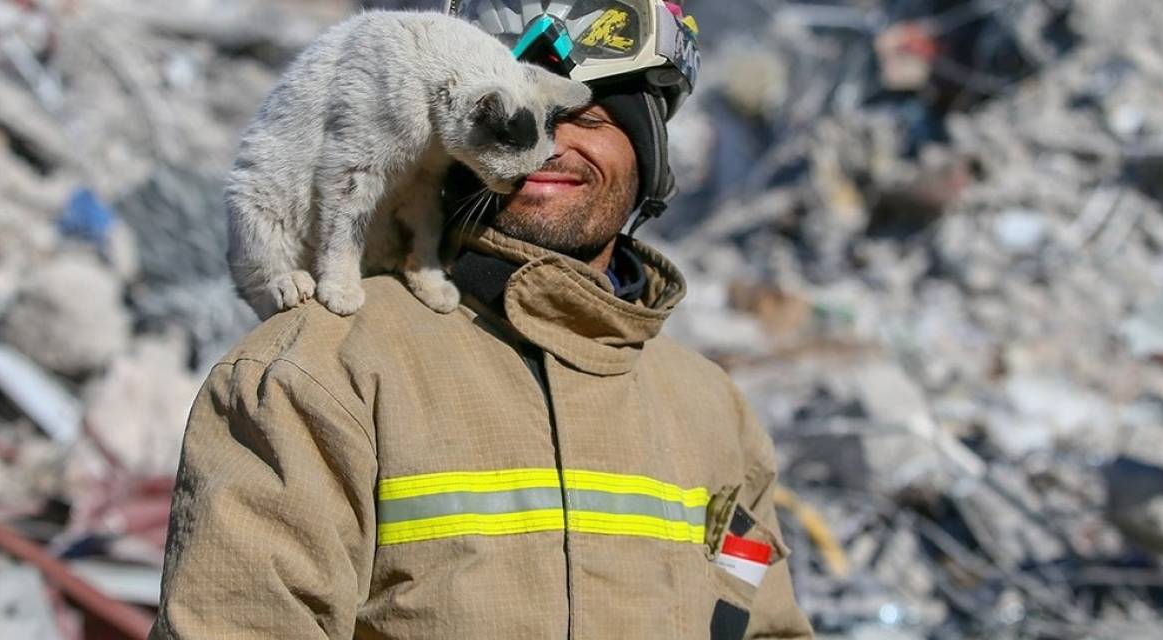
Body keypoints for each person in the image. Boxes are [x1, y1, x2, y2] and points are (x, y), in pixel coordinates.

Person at [151, 1, 814, 638]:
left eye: (585, 116)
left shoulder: (712, 411)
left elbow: (759, 619)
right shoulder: (317, 374)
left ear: (650, 154)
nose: (550, 147)